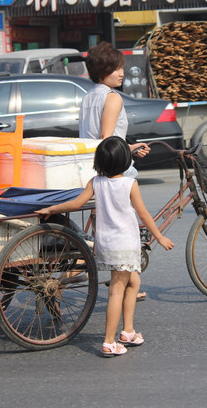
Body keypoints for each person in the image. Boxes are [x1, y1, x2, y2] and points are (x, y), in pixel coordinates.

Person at [36, 136, 174, 357]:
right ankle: (109, 341)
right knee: (116, 291)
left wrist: (53, 209)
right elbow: (144, 214)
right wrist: (159, 237)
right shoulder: (130, 184)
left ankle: (128, 331)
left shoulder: (96, 182)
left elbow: (77, 203)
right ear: (126, 161)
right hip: (125, 245)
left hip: (106, 244)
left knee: (134, 282)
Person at [80, 41, 150, 299]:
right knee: (125, 228)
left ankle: (126, 281)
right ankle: (127, 281)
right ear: (102, 70)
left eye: (122, 68)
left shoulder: (89, 96)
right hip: (114, 171)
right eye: (115, 69)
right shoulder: (112, 97)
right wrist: (125, 152)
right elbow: (106, 140)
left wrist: (130, 148)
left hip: (91, 168)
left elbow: (101, 140)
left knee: (106, 226)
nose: (121, 73)